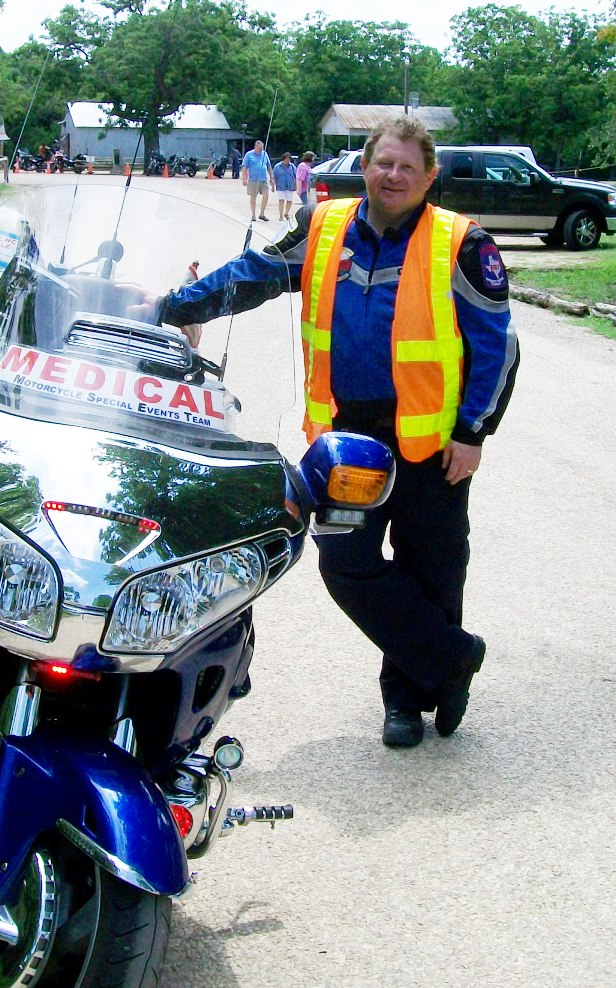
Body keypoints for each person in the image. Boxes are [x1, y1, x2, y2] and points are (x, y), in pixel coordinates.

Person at [154, 116, 519, 748]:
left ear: (428, 176)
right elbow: (253, 275)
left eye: (407, 166)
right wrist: (173, 306)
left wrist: (473, 432)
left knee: (433, 568)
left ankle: (404, 700)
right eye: (384, 163)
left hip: (434, 445)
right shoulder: (322, 227)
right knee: (345, 565)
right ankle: (452, 660)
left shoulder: (462, 244)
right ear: (365, 166)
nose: (393, 175)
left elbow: (499, 348)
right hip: (349, 440)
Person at [240, 139, 273, 221]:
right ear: (255, 147)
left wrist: (271, 177)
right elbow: (244, 167)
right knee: (253, 196)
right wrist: (244, 178)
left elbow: (268, 166)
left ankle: (262, 214)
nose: (261, 150)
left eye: (262, 148)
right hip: (253, 179)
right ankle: (253, 214)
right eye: (259, 148)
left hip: (263, 179)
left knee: (266, 195)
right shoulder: (249, 155)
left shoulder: (264, 154)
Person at [272, 152, 299, 220]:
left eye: (288, 159)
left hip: (290, 186)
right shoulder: (277, 167)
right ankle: (280, 215)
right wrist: (273, 185)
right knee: (281, 200)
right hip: (280, 186)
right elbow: (274, 177)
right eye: (286, 159)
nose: (287, 161)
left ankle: (286, 213)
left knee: (289, 201)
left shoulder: (292, 166)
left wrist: (296, 185)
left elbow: (295, 176)